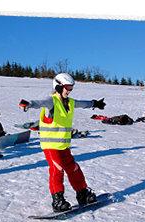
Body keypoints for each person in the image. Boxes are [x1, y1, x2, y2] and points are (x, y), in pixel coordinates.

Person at [18, 73, 106, 212]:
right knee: (57, 169)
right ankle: (57, 200)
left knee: (74, 168)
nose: (69, 90)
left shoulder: (69, 102)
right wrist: (28, 104)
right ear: (58, 86)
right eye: (67, 87)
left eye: (71, 88)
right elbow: (39, 103)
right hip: (50, 146)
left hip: (63, 146)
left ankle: (82, 193)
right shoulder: (52, 101)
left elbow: (82, 103)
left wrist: (94, 103)